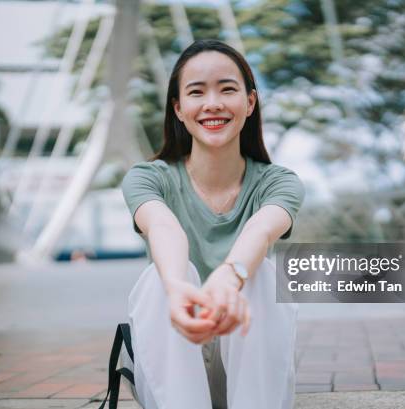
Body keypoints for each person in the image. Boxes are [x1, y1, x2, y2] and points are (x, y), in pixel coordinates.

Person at [121, 39, 304, 409]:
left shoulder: (279, 183)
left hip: (248, 358)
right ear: (179, 108)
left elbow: (261, 230)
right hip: (173, 360)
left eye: (227, 89)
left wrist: (229, 276)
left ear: (249, 103)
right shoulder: (148, 178)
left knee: (263, 275)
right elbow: (162, 227)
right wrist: (176, 289)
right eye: (196, 92)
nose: (213, 104)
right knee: (160, 278)